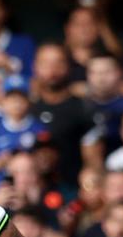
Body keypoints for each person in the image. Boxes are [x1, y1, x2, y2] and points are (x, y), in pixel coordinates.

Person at [31, 43, 104, 191]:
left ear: (69, 66)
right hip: (30, 192)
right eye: (45, 63)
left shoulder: (83, 109)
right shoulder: (25, 108)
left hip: (71, 191)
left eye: (59, 62)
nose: (52, 69)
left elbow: (94, 163)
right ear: (35, 67)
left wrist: (90, 187)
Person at [0, 74, 49, 181]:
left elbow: (48, 160)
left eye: (21, 99)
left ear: (28, 101)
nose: (17, 104)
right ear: (3, 101)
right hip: (2, 185)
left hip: (32, 184)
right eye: (12, 99)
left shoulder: (38, 128)